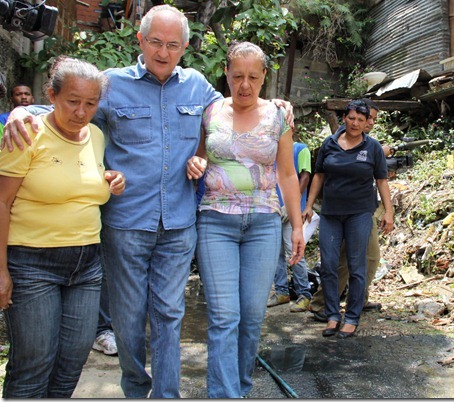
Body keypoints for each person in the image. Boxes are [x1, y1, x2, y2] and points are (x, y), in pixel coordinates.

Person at [2, 6, 294, 398]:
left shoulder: (197, 87)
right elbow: (71, 105)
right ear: (140, 41)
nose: (163, 51)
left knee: (170, 315)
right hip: (125, 223)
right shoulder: (111, 84)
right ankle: (137, 389)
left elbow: (238, 104)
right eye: (156, 42)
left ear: (185, 47)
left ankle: (167, 395)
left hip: (178, 223)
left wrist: (278, 105)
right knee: (127, 318)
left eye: (173, 44)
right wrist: (23, 110)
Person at [0, 56, 125, 398]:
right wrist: (1, 271)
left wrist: (112, 180)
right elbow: (2, 202)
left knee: (71, 363)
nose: (81, 112)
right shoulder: (27, 132)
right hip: (31, 263)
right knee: (33, 365)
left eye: (91, 103)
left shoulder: (96, 136)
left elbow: (82, 182)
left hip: (86, 266)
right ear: (51, 95)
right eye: (73, 101)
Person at [186, 41, 305, 398]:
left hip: (264, 224)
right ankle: (224, 395)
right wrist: (196, 164)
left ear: (265, 77)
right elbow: (198, 156)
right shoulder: (210, 112)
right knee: (224, 317)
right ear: (225, 74)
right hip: (215, 222)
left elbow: (287, 174)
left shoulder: (278, 116)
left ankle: (240, 388)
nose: (245, 86)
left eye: (253, 77)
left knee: (251, 318)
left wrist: (297, 226)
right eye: (237, 76)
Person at [302, 99, 394, 339]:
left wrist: (389, 212)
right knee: (330, 265)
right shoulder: (329, 143)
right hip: (331, 213)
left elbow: (382, 181)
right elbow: (319, 176)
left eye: (361, 120)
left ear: (367, 123)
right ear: (344, 118)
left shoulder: (372, 147)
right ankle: (332, 315)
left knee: (356, 266)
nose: (355, 123)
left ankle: (352, 317)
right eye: (351, 118)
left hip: (360, 213)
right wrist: (309, 205)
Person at [267, 141, 313, 312]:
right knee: (275, 252)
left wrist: (291, 202)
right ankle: (281, 291)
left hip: (291, 210)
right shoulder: (270, 148)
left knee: (293, 250)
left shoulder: (301, 149)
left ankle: (304, 293)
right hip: (273, 207)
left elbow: (305, 176)